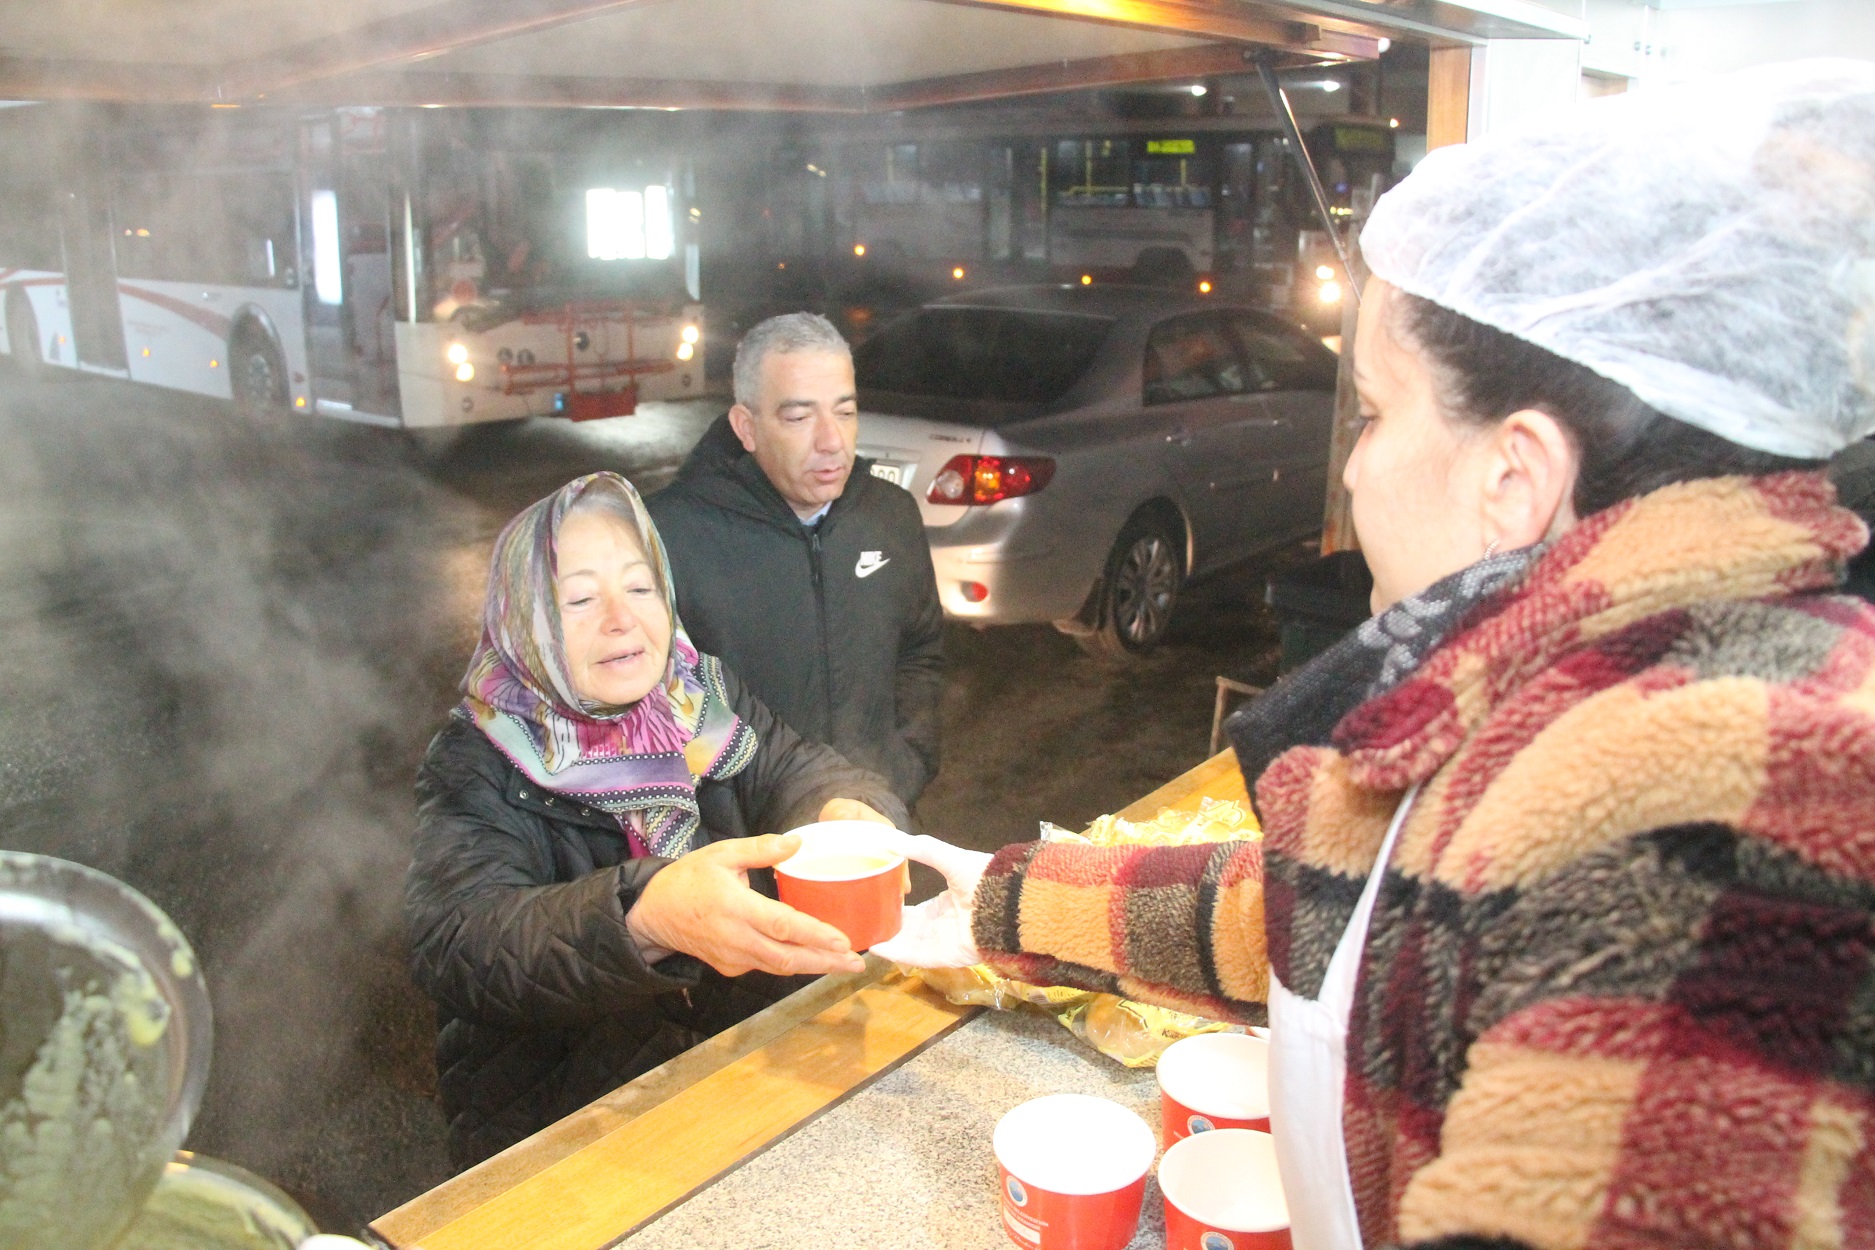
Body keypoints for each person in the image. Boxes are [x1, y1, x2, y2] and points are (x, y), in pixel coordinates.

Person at [875, 60, 1875, 1249]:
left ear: (1515, 475)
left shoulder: (1727, 782)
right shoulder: (1559, 686)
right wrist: (999, 903)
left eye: (1378, 412)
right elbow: (1357, 915)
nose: (1349, 466)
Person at [406, 472, 904, 1168]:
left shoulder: (700, 694)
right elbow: (457, 943)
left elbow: (798, 770)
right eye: (578, 599)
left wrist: (853, 810)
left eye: (639, 587)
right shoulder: (481, 756)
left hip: (730, 1079)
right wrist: (642, 919)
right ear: (525, 621)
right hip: (570, 1131)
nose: (621, 617)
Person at [646, 312, 943, 807]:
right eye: (799, 417)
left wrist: (905, 766)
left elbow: (920, 650)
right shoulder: (667, 536)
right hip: (741, 853)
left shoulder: (891, 516)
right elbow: (647, 706)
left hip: (876, 823)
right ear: (747, 427)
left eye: (845, 412)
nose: (831, 441)